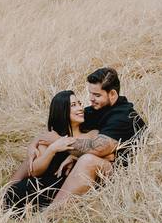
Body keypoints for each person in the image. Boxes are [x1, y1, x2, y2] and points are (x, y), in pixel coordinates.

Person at [32, 67, 145, 208]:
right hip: (103, 162)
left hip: (122, 173)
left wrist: (59, 142)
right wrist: (35, 144)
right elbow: (62, 123)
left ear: (113, 94)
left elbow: (98, 148)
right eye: (90, 93)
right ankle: (8, 189)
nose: (91, 99)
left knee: (88, 160)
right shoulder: (95, 110)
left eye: (97, 95)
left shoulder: (124, 116)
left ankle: (51, 214)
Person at [3, 90, 98, 216]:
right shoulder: (51, 137)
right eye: (74, 105)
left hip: (65, 193)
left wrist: (74, 155)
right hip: (37, 189)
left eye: (80, 103)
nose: (80, 108)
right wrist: (52, 149)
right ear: (62, 110)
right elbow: (35, 171)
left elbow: (99, 151)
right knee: (14, 193)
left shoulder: (92, 134)